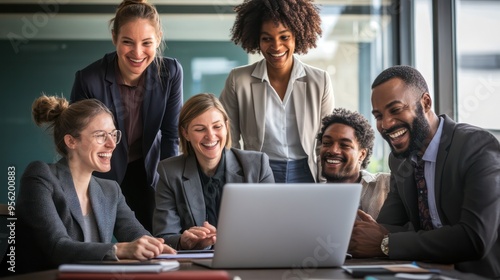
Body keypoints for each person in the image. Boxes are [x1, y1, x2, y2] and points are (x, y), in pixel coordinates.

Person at [348, 65, 500, 279]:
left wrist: (386, 243)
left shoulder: (476, 146)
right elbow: (388, 227)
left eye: (396, 109)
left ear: (426, 103)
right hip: (421, 271)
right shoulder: (399, 160)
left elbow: (474, 238)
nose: (386, 124)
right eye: (378, 115)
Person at [16, 95, 176, 274]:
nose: (111, 144)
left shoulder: (110, 190)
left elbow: (141, 237)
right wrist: (119, 250)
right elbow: (57, 247)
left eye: (113, 135)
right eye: (100, 135)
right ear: (71, 141)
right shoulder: (40, 176)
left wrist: (170, 244)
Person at [70, 0, 183, 232]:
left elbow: (171, 135)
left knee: (152, 242)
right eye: (127, 42)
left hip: (147, 171)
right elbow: (78, 143)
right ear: (114, 38)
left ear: (159, 38)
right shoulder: (88, 79)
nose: (138, 53)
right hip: (102, 172)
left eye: (147, 43)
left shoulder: (170, 73)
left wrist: (167, 186)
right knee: (91, 243)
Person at [219, 0, 335, 183]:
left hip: (306, 172)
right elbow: (228, 139)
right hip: (258, 172)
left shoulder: (319, 81)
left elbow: (326, 142)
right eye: (267, 38)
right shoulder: (238, 80)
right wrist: (239, 178)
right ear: (257, 39)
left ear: (296, 36)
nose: (276, 46)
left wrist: (324, 182)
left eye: (284, 37)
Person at [153, 93, 275, 250]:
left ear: (226, 126)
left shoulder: (257, 166)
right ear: (185, 133)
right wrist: (184, 241)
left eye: (217, 126)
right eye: (200, 129)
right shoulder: (169, 172)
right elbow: (164, 237)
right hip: (195, 266)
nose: (210, 136)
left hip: (247, 256)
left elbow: (271, 227)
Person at [317, 108, 390, 219]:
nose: (333, 150)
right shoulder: (312, 197)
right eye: (327, 143)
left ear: (362, 154)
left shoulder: (385, 185)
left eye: (344, 145)